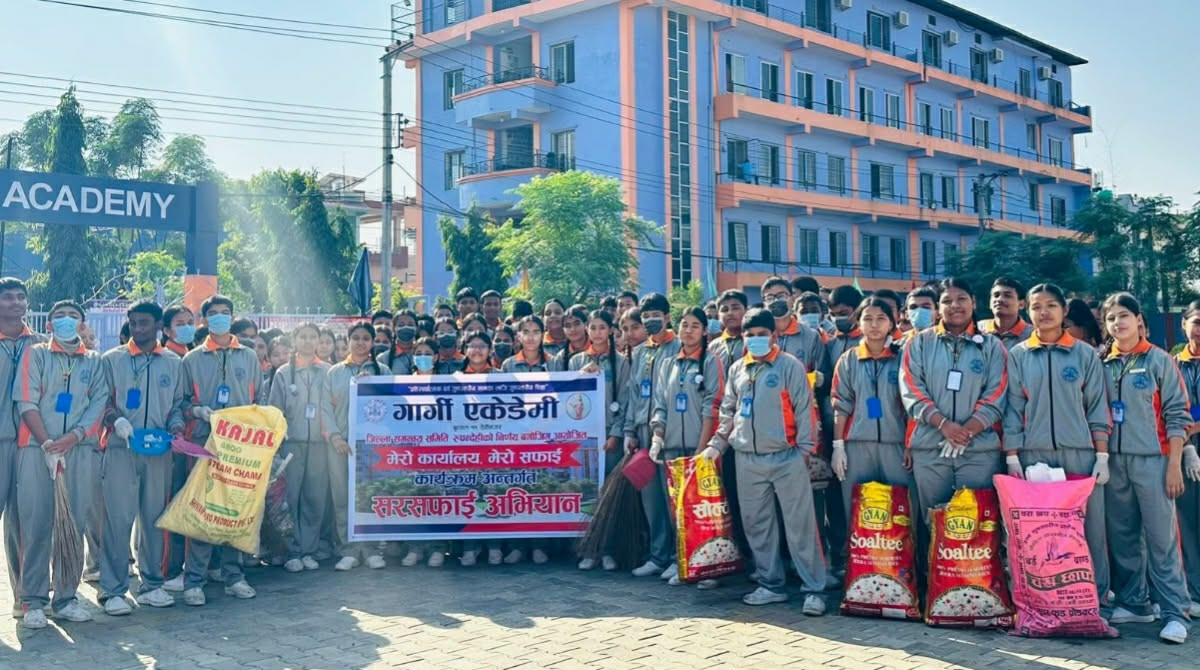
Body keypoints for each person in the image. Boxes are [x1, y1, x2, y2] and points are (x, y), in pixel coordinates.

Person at [701, 308, 827, 613]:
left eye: (762, 334)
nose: (756, 340)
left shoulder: (789, 366)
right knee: (758, 525)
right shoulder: (737, 370)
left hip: (788, 457)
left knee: (800, 526)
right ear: (743, 337)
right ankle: (771, 585)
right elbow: (728, 411)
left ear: (774, 336)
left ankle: (814, 589)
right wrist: (716, 446)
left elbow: (805, 409)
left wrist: (806, 451)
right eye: (751, 335)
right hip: (747, 458)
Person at [1002, 283, 1111, 605]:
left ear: (1064, 310)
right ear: (1027, 311)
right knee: (1040, 534)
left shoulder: (1084, 354)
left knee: (1089, 530)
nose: (1044, 312)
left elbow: (1097, 406)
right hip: (1033, 455)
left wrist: (1101, 455)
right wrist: (1012, 456)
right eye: (1036, 307)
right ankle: (1043, 601)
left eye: (1051, 305)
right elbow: (1012, 408)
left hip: (1079, 453)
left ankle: (1096, 599)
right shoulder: (1018, 356)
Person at [1100, 292, 1191, 644]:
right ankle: (1135, 603)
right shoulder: (1103, 362)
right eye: (1111, 318)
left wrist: (1174, 464)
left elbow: (1177, 415)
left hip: (1154, 460)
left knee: (1161, 539)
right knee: (1123, 537)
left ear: (1139, 319)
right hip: (1116, 462)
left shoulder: (1159, 361)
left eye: (1124, 315)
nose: (1118, 323)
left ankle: (1174, 611)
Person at [13, 299, 108, 628]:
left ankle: (66, 598)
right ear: (50, 324)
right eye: (60, 316)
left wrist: (75, 437)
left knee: (74, 523)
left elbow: (99, 403)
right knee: (37, 524)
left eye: (73, 317)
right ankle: (33, 600)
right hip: (37, 450)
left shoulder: (94, 362)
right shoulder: (35, 354)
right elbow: (26, 401)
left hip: (80, 451)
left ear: (82, 325)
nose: (67, 321)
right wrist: (48, 443)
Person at [97, 301, 186, 615]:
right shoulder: (112, 360)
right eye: (133, 323)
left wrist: (175, 427)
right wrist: (114, 420)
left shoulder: (174, 362)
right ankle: (113, 590)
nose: (138, 329)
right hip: (122, 449)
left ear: (159, 325)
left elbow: (178, 404)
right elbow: (102, 400)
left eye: (145, 323)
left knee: (154, 519)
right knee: (117, 520)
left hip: (159, 451)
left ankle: (152, 584)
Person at [899, 278, 1007, 532]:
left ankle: (980, 574)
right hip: (930, 446)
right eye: (947, 301)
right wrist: (944, 425)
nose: (955, 305)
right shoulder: (919, 343)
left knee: (978, 522)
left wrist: (965, 432)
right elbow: (911, 390)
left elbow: (996, 394)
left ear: (974, 302)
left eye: (961, 299)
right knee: (932, 520)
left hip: (979, 451)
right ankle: (932, 573)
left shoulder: (992, 346)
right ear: (938, 307)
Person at [174, 294, 259, 606]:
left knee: (235, 510)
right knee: (204, 510)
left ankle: (233, 574)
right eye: (214, 314)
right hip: (203, 443)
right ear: (205, 320)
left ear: (232, 317)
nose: (220, 318)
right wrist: (197, 412)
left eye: (226, 313)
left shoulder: (248, 356)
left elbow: (259, 400)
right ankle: (194, 579)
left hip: (240, 445)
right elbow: (181, 401)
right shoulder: (192, 359)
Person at [650, 307, 723, 587]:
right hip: (671, 449)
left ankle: (709, 568)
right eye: (684, 325)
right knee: (676, 510)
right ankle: (680, 561)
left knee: (703, 509)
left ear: (705, 331)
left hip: (698, 449)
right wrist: (658, 436)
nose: (688, 330)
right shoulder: (668, 363)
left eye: (695, 326)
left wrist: (701, 452)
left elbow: (712, 407)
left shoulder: (711, 362)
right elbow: (660, 403)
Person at [830, 297, 909, 520]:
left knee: (900, 508)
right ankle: (854, 555)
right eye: (868, 319)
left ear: (892, 323)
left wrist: (910, 445)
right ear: (859, 323)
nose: (874, 325)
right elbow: (840, 404)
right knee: (856, 509)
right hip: (857, 446)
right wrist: (838, 446)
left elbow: (912, 406)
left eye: (881, 319)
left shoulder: (903, 358)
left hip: (897, 444)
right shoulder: (848, 360)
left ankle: (903, 556)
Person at [624, 293, 683, 580]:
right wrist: (629, 430)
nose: (650, 321)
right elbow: (632, 395)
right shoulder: (641, 352)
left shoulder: (679, 347)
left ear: (668, 317)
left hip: (672, 435)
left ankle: (677, 556)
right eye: (645, 316)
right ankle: (657, 556)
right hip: (644, 434)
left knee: (673, 500)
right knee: (652, 500)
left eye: (655, 315)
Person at [324, 322, 387, 572]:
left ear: (372, 343)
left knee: (368, 496)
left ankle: (371, 549)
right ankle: (348, 549)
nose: (361, 343)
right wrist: (336, 437)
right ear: (348, 341)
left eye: (366, 338)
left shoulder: (382, 371)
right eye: (356, 338)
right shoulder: (335, 372)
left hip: (372, 446)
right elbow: (325, 408)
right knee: (342, 497)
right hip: (340, 445)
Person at [268, 323, 332, 573]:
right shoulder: (284, 373)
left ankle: (309, 549)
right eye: (302, 337)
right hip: (291, 444)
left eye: (312, 337)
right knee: (289, 499)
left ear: (318, 341)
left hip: (319, 444)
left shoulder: (328, 371)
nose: (307, 341)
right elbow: (275, 411)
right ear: (295, 340)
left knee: (315, 498)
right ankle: (291, 550)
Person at [0, 277, 43, 617]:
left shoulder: (41, 345)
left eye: (20, 297)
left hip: (30, 445)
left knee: (25, 521)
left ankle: (24, 597)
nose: (15, 303)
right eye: (8, 297)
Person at [1173, 300, 1200, 617]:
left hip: (1189, 438)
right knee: (1188, 523)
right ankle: (1194, 590)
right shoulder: (1173, 363)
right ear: (1184, 324)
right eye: (1196, 321)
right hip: (1184, 451)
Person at [980, 277, 1033, 349]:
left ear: (1021, 304)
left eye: (1007, 296)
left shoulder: (1033, 335)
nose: (999, 299)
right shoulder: (977, 330)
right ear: (990, 303)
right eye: (996, 295)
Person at [708, 290, 747, 372]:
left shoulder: (753, 341)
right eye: (725, 310)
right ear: (718, 316)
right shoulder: (713, 347)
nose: (730, 313)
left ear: (746, 311)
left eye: (735, 308)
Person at [825, 285, 865, 366]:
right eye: (833, 314)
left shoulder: (869, 341)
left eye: (843, 313)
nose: (837, 318)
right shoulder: (831, 342)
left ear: (857, 311)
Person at [551, 305, 589, 371]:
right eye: (567, 326)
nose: (573, 329)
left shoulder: (598, 349)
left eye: (577, 324)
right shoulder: (561, 357)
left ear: (585, 324)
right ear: (563, 330)